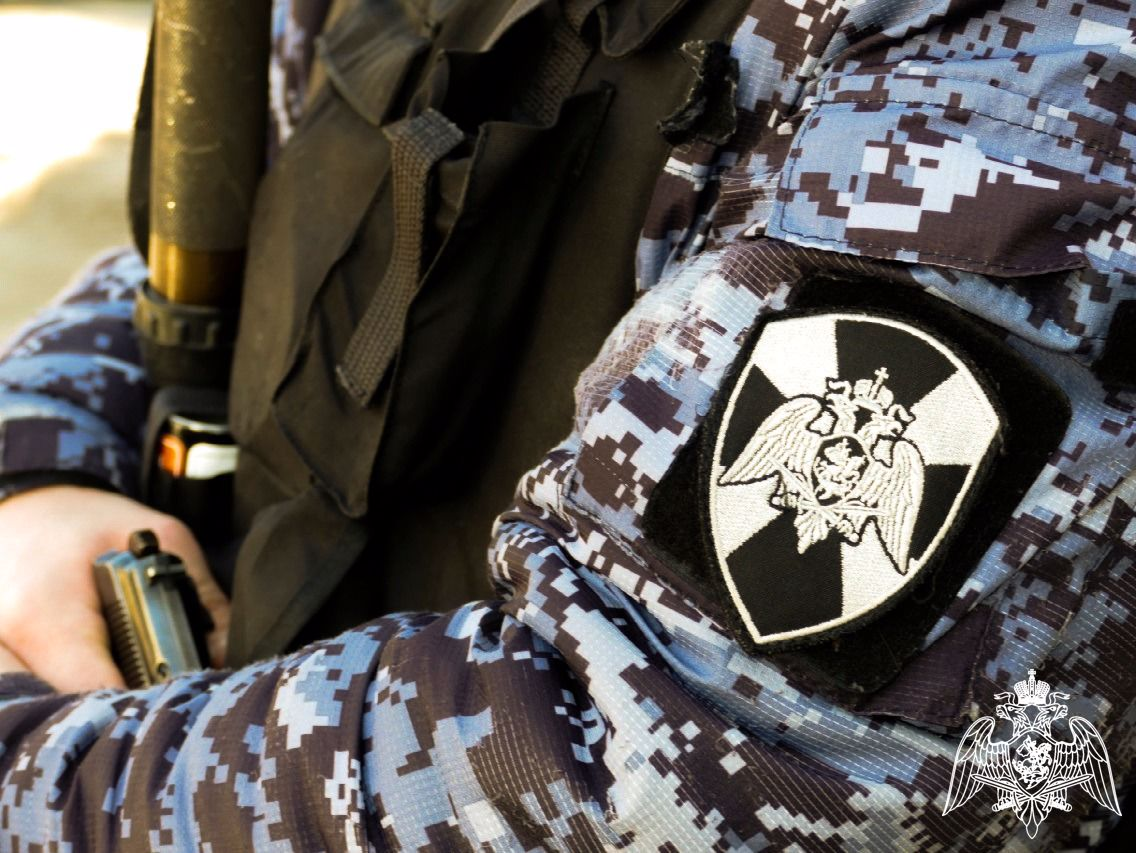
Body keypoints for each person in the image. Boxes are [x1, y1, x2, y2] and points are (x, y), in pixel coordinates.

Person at [0, 0, 1133, 849]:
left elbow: (692, 761)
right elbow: (240, 228)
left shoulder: (1028, 77)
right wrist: (40, 464)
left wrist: (41, 786)